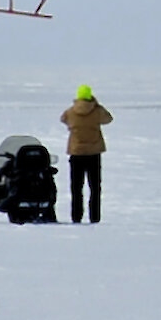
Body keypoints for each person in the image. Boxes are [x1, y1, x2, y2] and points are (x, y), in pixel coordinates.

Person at [59, 84, 113, 224]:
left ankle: (76, 217)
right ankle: (94, 217)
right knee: (95, 187)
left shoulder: (71, 112)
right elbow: (108, 118)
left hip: (76, 153)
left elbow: (63, 119)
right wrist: (96, 105)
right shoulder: (96, 111)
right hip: (94, 153)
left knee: (76, 188)